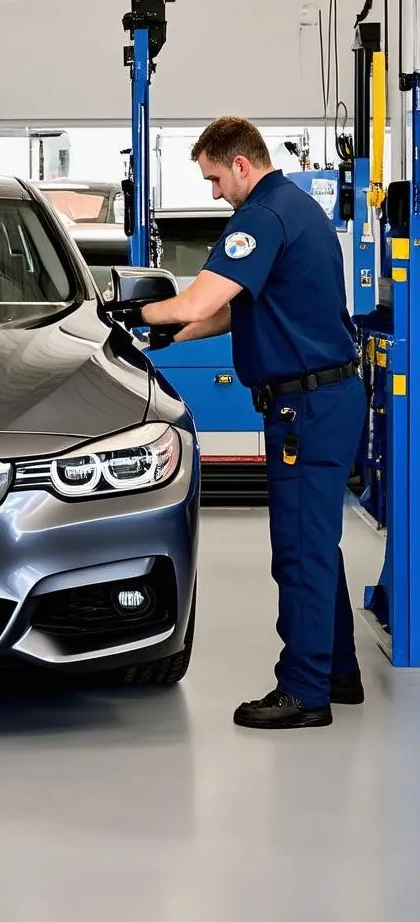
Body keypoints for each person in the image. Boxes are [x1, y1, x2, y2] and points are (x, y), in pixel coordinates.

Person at [130, 116, 367, 730]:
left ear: (241, 164)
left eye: (213, 179)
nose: (214, 193)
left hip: (306, 409)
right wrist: (169, 332)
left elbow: (199, 300)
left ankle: (304, 693)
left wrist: (121, 310)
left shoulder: (260, 218)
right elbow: (238, 312)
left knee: (299, 551)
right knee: (317, 545)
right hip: (323, 400)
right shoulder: (293, 209)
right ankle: (337, 671)